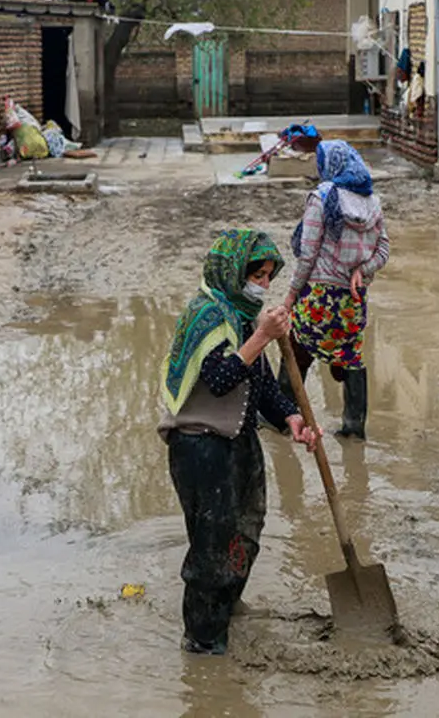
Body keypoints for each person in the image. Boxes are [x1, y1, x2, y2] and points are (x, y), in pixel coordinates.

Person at [157, 229, 322, 656]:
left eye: (269, 276)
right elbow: (219, 378)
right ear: (233, 273)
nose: (264, 285)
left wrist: (292, 418)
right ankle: (203, 643)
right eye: (257, 275)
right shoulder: (206, 315)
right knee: (211, 545)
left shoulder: (242, 314)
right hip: (201, 447)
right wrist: (263, 335)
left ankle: (226, 605)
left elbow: (262, 383)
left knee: (247, 529)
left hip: (240, 438)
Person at [281, 140, 389, 439]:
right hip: (352, 300)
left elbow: (308, 253)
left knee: (296, 350)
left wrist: (290, 295)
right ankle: (354, 428)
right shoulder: (372, 202)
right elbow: (383, 250)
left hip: (318, 296)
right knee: (351, 356)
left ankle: (280, 417)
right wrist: (362, 270)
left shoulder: (322, 197)